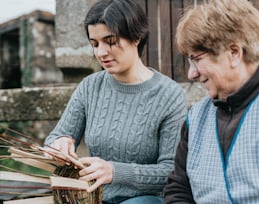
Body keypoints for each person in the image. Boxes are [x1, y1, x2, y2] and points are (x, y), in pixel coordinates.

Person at [44, 0, 187, 203]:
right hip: (96, 198)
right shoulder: (90, 86)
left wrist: (115, 171)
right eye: (94, 44)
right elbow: (55, 137)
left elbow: (171, 172)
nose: (101, 52)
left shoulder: (169, 95)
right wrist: (59, 144)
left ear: (136, 37)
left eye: (110, 41)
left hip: (147, 200)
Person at [163, 0, 259, 203]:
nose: (191, 73)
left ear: (234, 53)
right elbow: (178, 190)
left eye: (197, 59)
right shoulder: (196, 118)